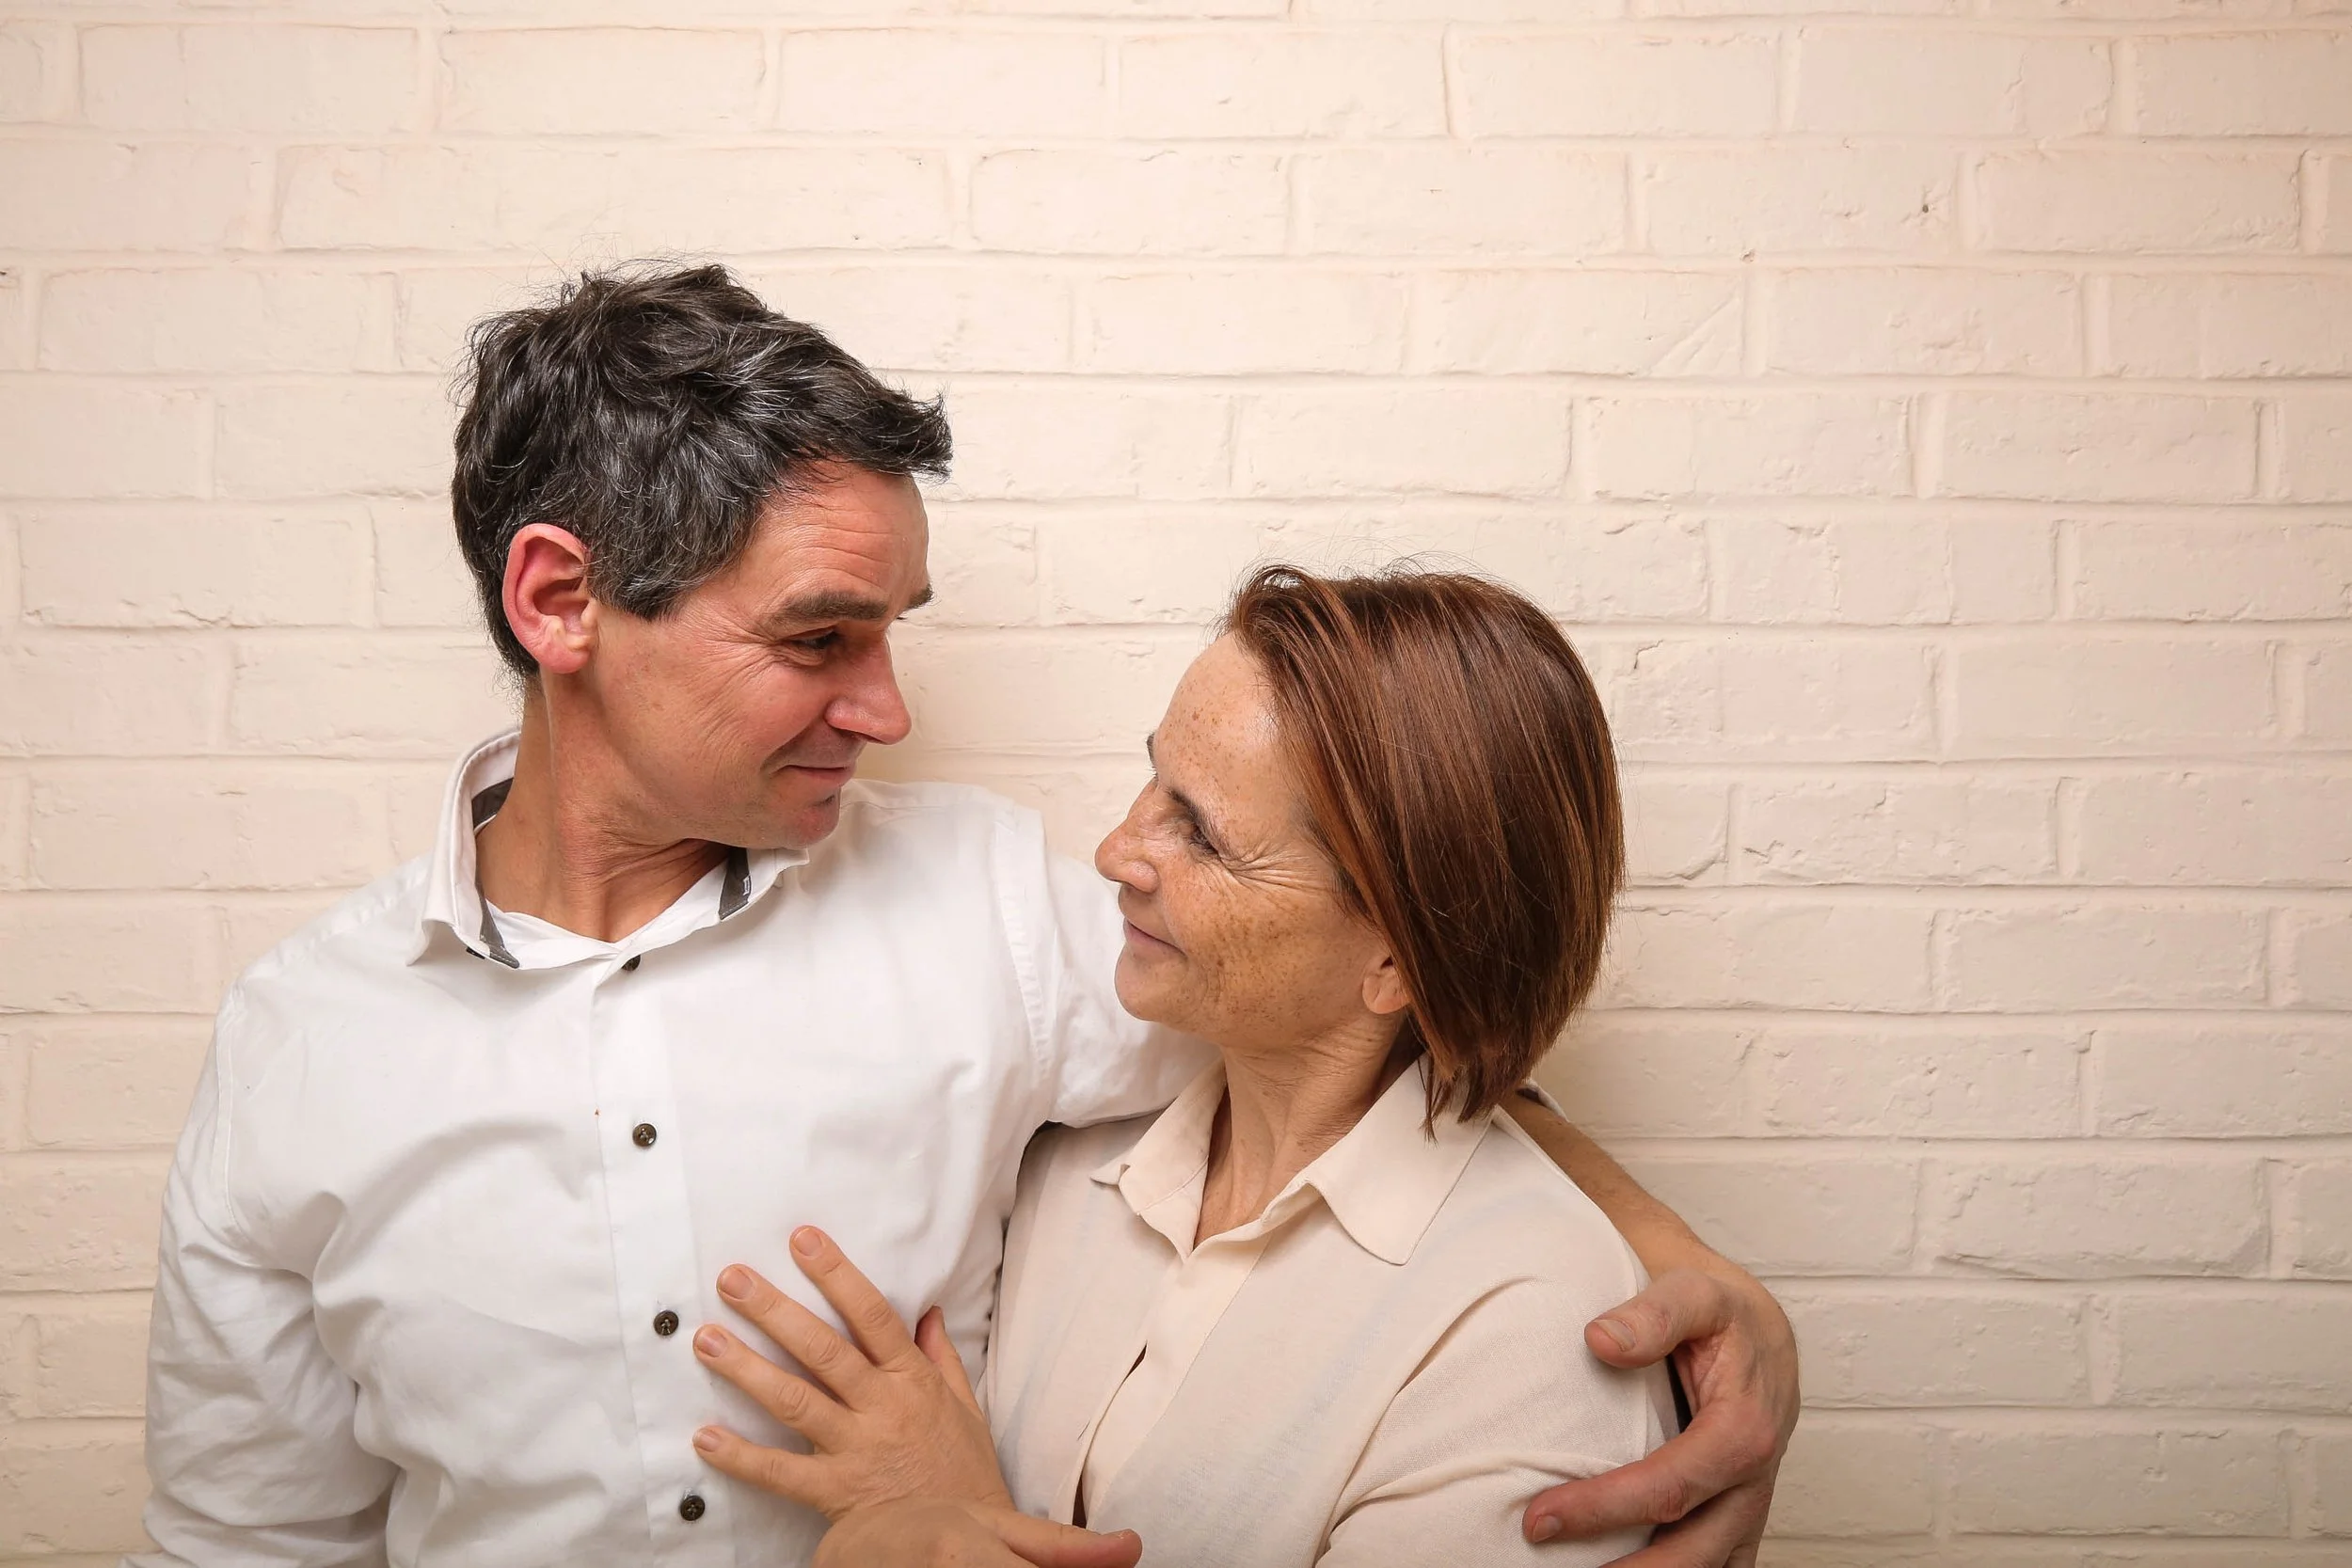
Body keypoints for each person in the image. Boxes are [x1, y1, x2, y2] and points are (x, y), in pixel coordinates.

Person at [133, 263, 1796, 1568]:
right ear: (561, 599)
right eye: (817, 641)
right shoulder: (300, 1045)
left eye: (895, 631)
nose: (887, 708)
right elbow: (253, 1539)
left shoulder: (1002, 910)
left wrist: (1684, 1269)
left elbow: (1373, 1016)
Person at [689, 565, 1683, 1566]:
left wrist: (958, 1511)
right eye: (1154, 774)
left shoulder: (1530, 1327)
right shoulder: (1074, 1154)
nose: (1119, 846)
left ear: (1394, 958)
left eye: (1201, 832)